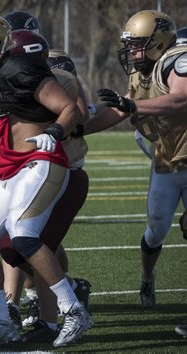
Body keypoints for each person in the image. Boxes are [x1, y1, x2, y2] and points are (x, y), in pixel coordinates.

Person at [0, 13, 92, 348]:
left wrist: (54, 132)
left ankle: (73, 309)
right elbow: (5, 130)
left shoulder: (23, 68)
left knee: (23, 233)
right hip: (9, 170)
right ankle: (2, 320)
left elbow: (70, 109)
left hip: (40, 162)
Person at [83, 10, 187, 309]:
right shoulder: (142, 69)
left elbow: (181, 98)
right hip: (166, 161)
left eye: (137, 43)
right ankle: (148, 275)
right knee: (156, 230)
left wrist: (131, 103)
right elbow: (123, 108)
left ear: (158, 41)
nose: (131, 50)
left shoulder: (178, 59)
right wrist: (80, 130)